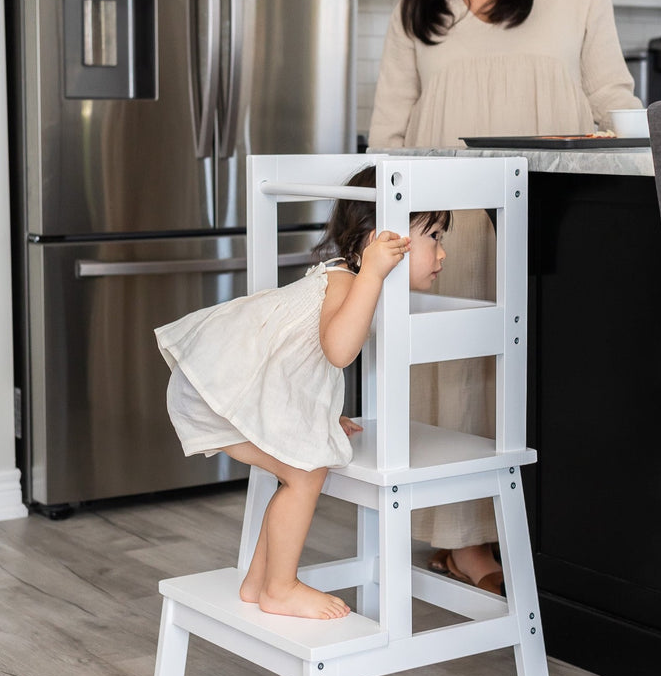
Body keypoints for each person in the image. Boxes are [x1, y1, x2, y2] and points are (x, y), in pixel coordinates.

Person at [368, 0, 641, 594]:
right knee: (456, 368)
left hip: (554, 209)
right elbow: (391, 122)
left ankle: (541, 526)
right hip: (446, 212)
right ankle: (458, 538)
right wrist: (391, 229)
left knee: (539, 369)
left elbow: (610, 96)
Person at [155, 167, 450, 620]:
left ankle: (259, 583)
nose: (442, 252)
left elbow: (302, 362)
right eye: (431, 236)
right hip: (218, 385)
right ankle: (281, 587)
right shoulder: (349, 280)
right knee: (305, 472)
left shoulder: (346, 278)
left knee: (299, 465)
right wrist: (372, 274)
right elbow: (336, 351)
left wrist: (323, 415)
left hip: (229, 384)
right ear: (377, 240)